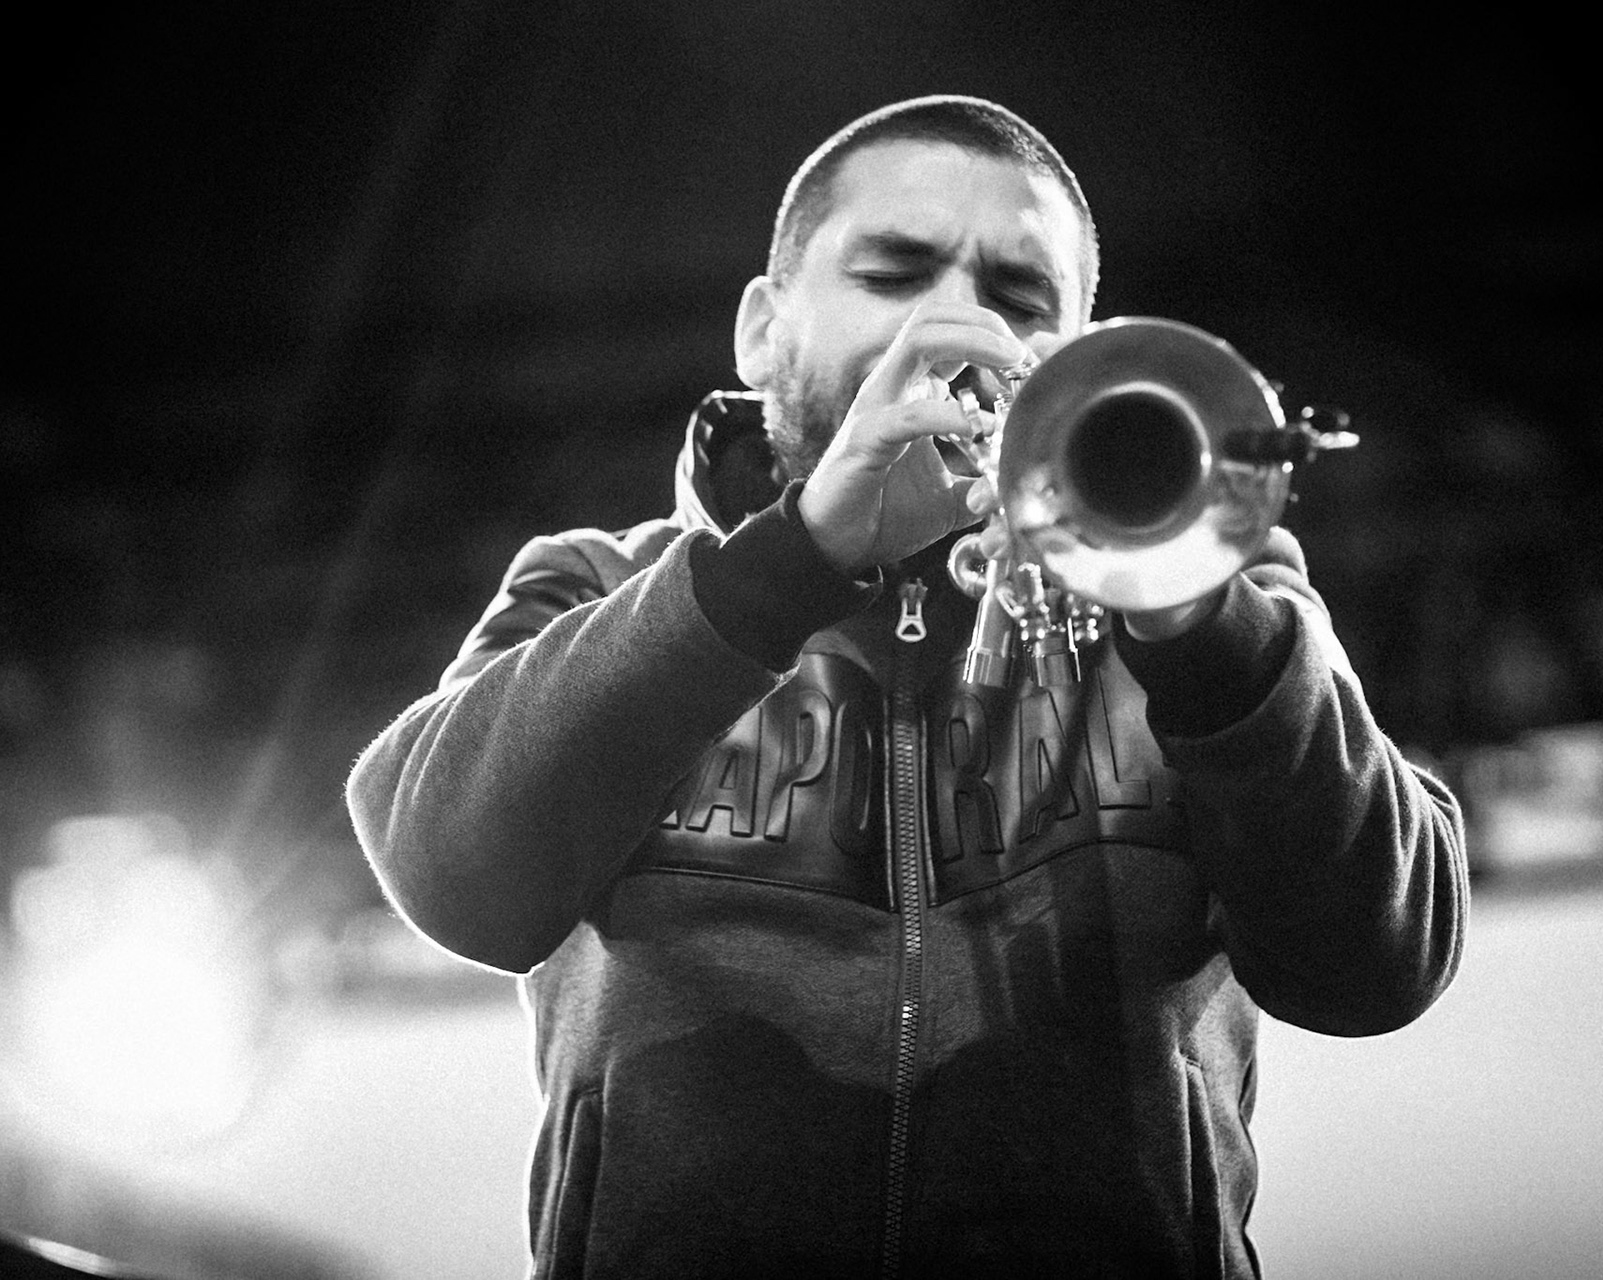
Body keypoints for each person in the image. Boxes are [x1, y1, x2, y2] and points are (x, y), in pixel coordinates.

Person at [347, 94, 1468, 1280]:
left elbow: (1376, 965)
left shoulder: (1213, 601)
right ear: (763, 329)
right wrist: (790, 562)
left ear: (1070, 355)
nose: (955, 325)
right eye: (894, 272)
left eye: (1018, 299)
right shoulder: (596, 586)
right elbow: (444, 867)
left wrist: (1196, 617)